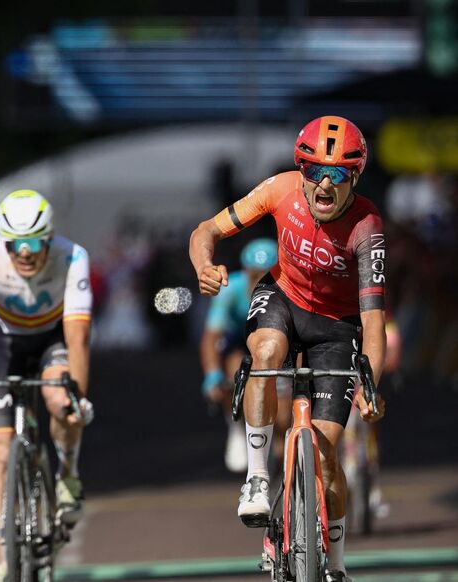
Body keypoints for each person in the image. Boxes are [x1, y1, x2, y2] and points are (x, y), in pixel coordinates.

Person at [189, 116, 387, 582]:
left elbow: (373, 322)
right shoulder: (279, 189)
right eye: (313, 169)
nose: (323, 182)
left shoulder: (368, 227)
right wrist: (203, 264)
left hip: (337, 328)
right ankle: (257, 476)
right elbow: (206, 230)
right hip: (283, 299)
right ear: (299, 169)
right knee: (267, 350)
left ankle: (335, 565)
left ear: (354, 178)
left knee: (326, 458)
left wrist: (371, 386)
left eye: (337, 174)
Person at [0, 190, 94, 582]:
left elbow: (78, 337)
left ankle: (68, 475)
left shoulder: (72, 256)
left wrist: (79, 396)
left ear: (49, 238)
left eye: (33, 243)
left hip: (53, 338)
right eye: (14, 245)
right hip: (3, 340)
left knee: (61, 400)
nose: (23, 253)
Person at [199, 238, 290, 473]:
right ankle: (236, 423)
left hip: (276, 337)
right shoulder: (232, 290)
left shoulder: (288, 290)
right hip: (239, 339)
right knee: (234, 368)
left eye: (266, 276)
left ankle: (281, 445)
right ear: (245, 272)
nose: (258, 282)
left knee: (283, 417)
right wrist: (212, 375)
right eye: (254, 276)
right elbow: (211, 338)